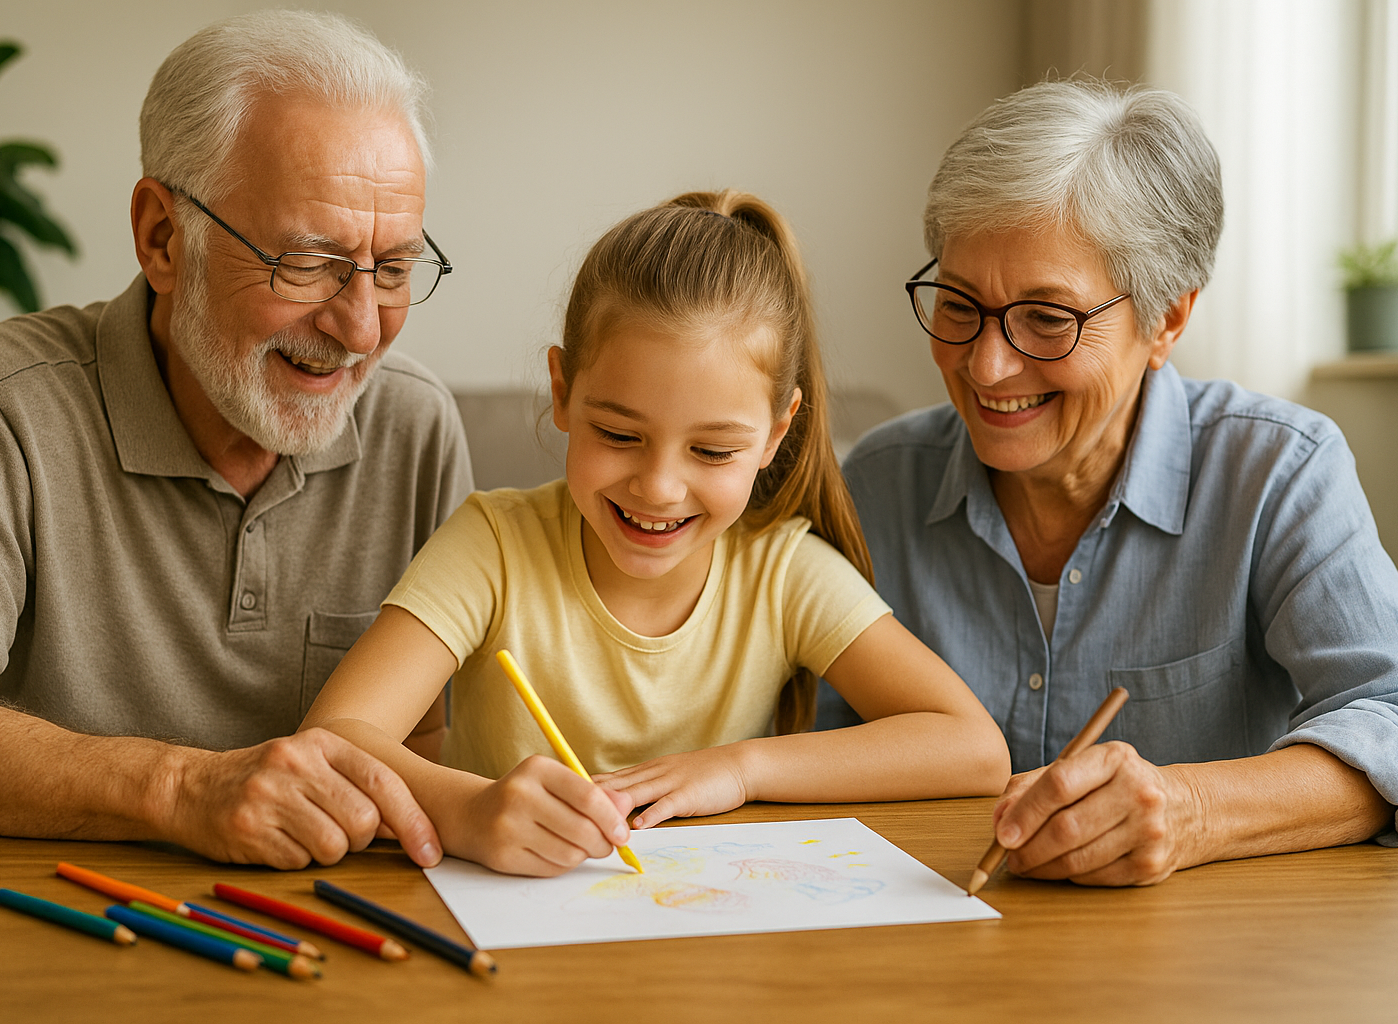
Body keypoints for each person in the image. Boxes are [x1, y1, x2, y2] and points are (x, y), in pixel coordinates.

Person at [0, 11, 472, 870]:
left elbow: (432, 752)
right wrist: (182, 790)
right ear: (163, 238)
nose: (361, 326)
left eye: (392, 268)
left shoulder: (416, 427)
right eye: (306, 263)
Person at [301, 190, 1010, 877]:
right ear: (561, 392)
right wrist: (470, 809)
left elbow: (974, 749)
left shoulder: (783, 571)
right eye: (618, 433)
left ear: (776, 433)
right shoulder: (493, 546)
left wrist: (741, 768)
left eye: (712, 451)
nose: (659, 488)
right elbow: (332, 739)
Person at [820, 79, 1398, 886]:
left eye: (1047, 318)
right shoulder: (878, 484)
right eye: (959, 303)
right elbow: (804, 743)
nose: (987, 366)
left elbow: (1396, 722)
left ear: (1167, 319)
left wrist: (1190, 808)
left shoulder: (1279, 471)